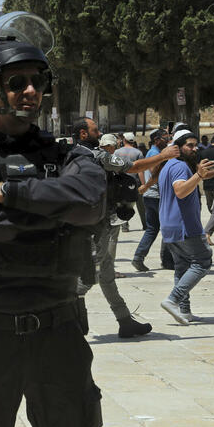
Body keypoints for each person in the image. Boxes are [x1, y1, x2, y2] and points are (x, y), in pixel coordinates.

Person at [0, 11, 106, 427]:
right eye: (17, 82)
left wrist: (4, 193)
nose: (31, 91)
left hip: (59, 330)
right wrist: (53, 210)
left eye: (38, 81)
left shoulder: (70, 157)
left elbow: (89, 203)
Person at [73, 122, 172, 338]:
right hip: (95, 224)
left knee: (107, 275)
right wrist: (163, 156)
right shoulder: (95, 156)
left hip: (92, 220)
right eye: (95, 131)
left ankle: (125, 321)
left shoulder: (73, 153)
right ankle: (68, 319)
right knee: (88, 277)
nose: (99, 134)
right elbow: (133, 167)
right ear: (82, 133)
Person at [158, 130, 214, 324]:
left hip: (170, 225)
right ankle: (173, 299)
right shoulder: (179, 166)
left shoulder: (168, 166)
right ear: (178, 147)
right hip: (184, 225)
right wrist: (199, 175)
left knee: (182, 267)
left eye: (195, 145)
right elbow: (181, 191)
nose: (194, 149)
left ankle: (184, 311)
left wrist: (206, 174)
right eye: (189, 145)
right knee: (203, 260)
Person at [132, 129, 175, 271]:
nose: (168, 140)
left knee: (152, 228)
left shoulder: (154, 153)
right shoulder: (156, 154)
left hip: (150, 196)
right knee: (167, 227)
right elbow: (155, 173)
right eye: (165, 137)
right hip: (157, 196)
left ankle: (139, 257)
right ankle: (167, 260)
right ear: (157, 140)